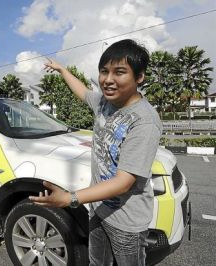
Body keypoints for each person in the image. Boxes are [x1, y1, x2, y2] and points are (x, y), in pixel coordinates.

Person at [29, 39, 162, 266]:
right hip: (98, 209)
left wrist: (69, 198)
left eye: (119, 72)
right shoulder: (104, 103)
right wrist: (62, 70)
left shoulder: (144, 121)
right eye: (103, 71)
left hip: (127, 222)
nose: (108, 80)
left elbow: (123, 182)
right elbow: (82, 91)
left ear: (139, 77)